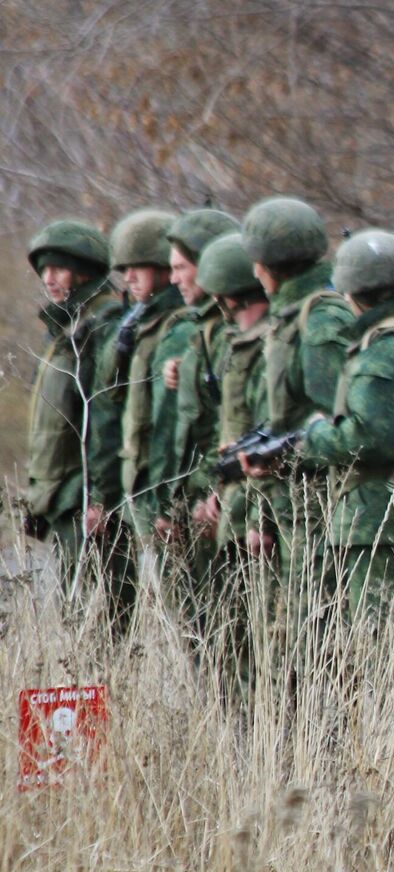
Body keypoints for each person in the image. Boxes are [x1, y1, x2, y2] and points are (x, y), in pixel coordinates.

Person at [296, 230, 394, 620]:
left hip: (378, 526)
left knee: (376, 647)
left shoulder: (386, 351)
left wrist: (314, 435)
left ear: (353, 292)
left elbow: (369, 438)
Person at [239, 196, 353, 597]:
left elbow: (341, 430)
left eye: (257, 262)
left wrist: (280, 456)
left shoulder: (319, 323)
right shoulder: (291, 318)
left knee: (318, 645)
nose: (254, 272)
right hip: (296, 511)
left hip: (322, 514)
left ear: (270, 267)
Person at [89, 209, 183, 634]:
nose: (128, 276)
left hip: (165, 491)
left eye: (137, 266)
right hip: (136, 488)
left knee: (192, 615)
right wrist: (102, 495)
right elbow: (108, 411)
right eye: (123, 268)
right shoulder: (132, 325)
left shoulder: (178, 325)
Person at [23, 220, 122, 601]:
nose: (48, 278)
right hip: (65, 497)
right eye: (44, 269)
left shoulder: (103, 325)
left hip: (86, 498)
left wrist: (99, 498)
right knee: (78, 611)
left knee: (100, 616)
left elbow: (105, 416)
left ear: (83, 272)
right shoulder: (66, 327)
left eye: (58, 268)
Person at [154, 207, 241, 638]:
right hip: (194, 504)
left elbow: (229, 425)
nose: (173, 279)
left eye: (181, 267)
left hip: (215, 507)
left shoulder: (228, 335)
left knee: (226, 638)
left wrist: (212, 493)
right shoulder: (201, 332)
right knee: (201, 638)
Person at [196, 232, 276, 694]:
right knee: (235, 652)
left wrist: (257, 517)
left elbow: (272, 444)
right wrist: (214, 491)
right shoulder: (240, 347)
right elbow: (232, 438)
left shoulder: (267, 350)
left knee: (265, 653)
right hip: (233, 512)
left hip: (256, 522)